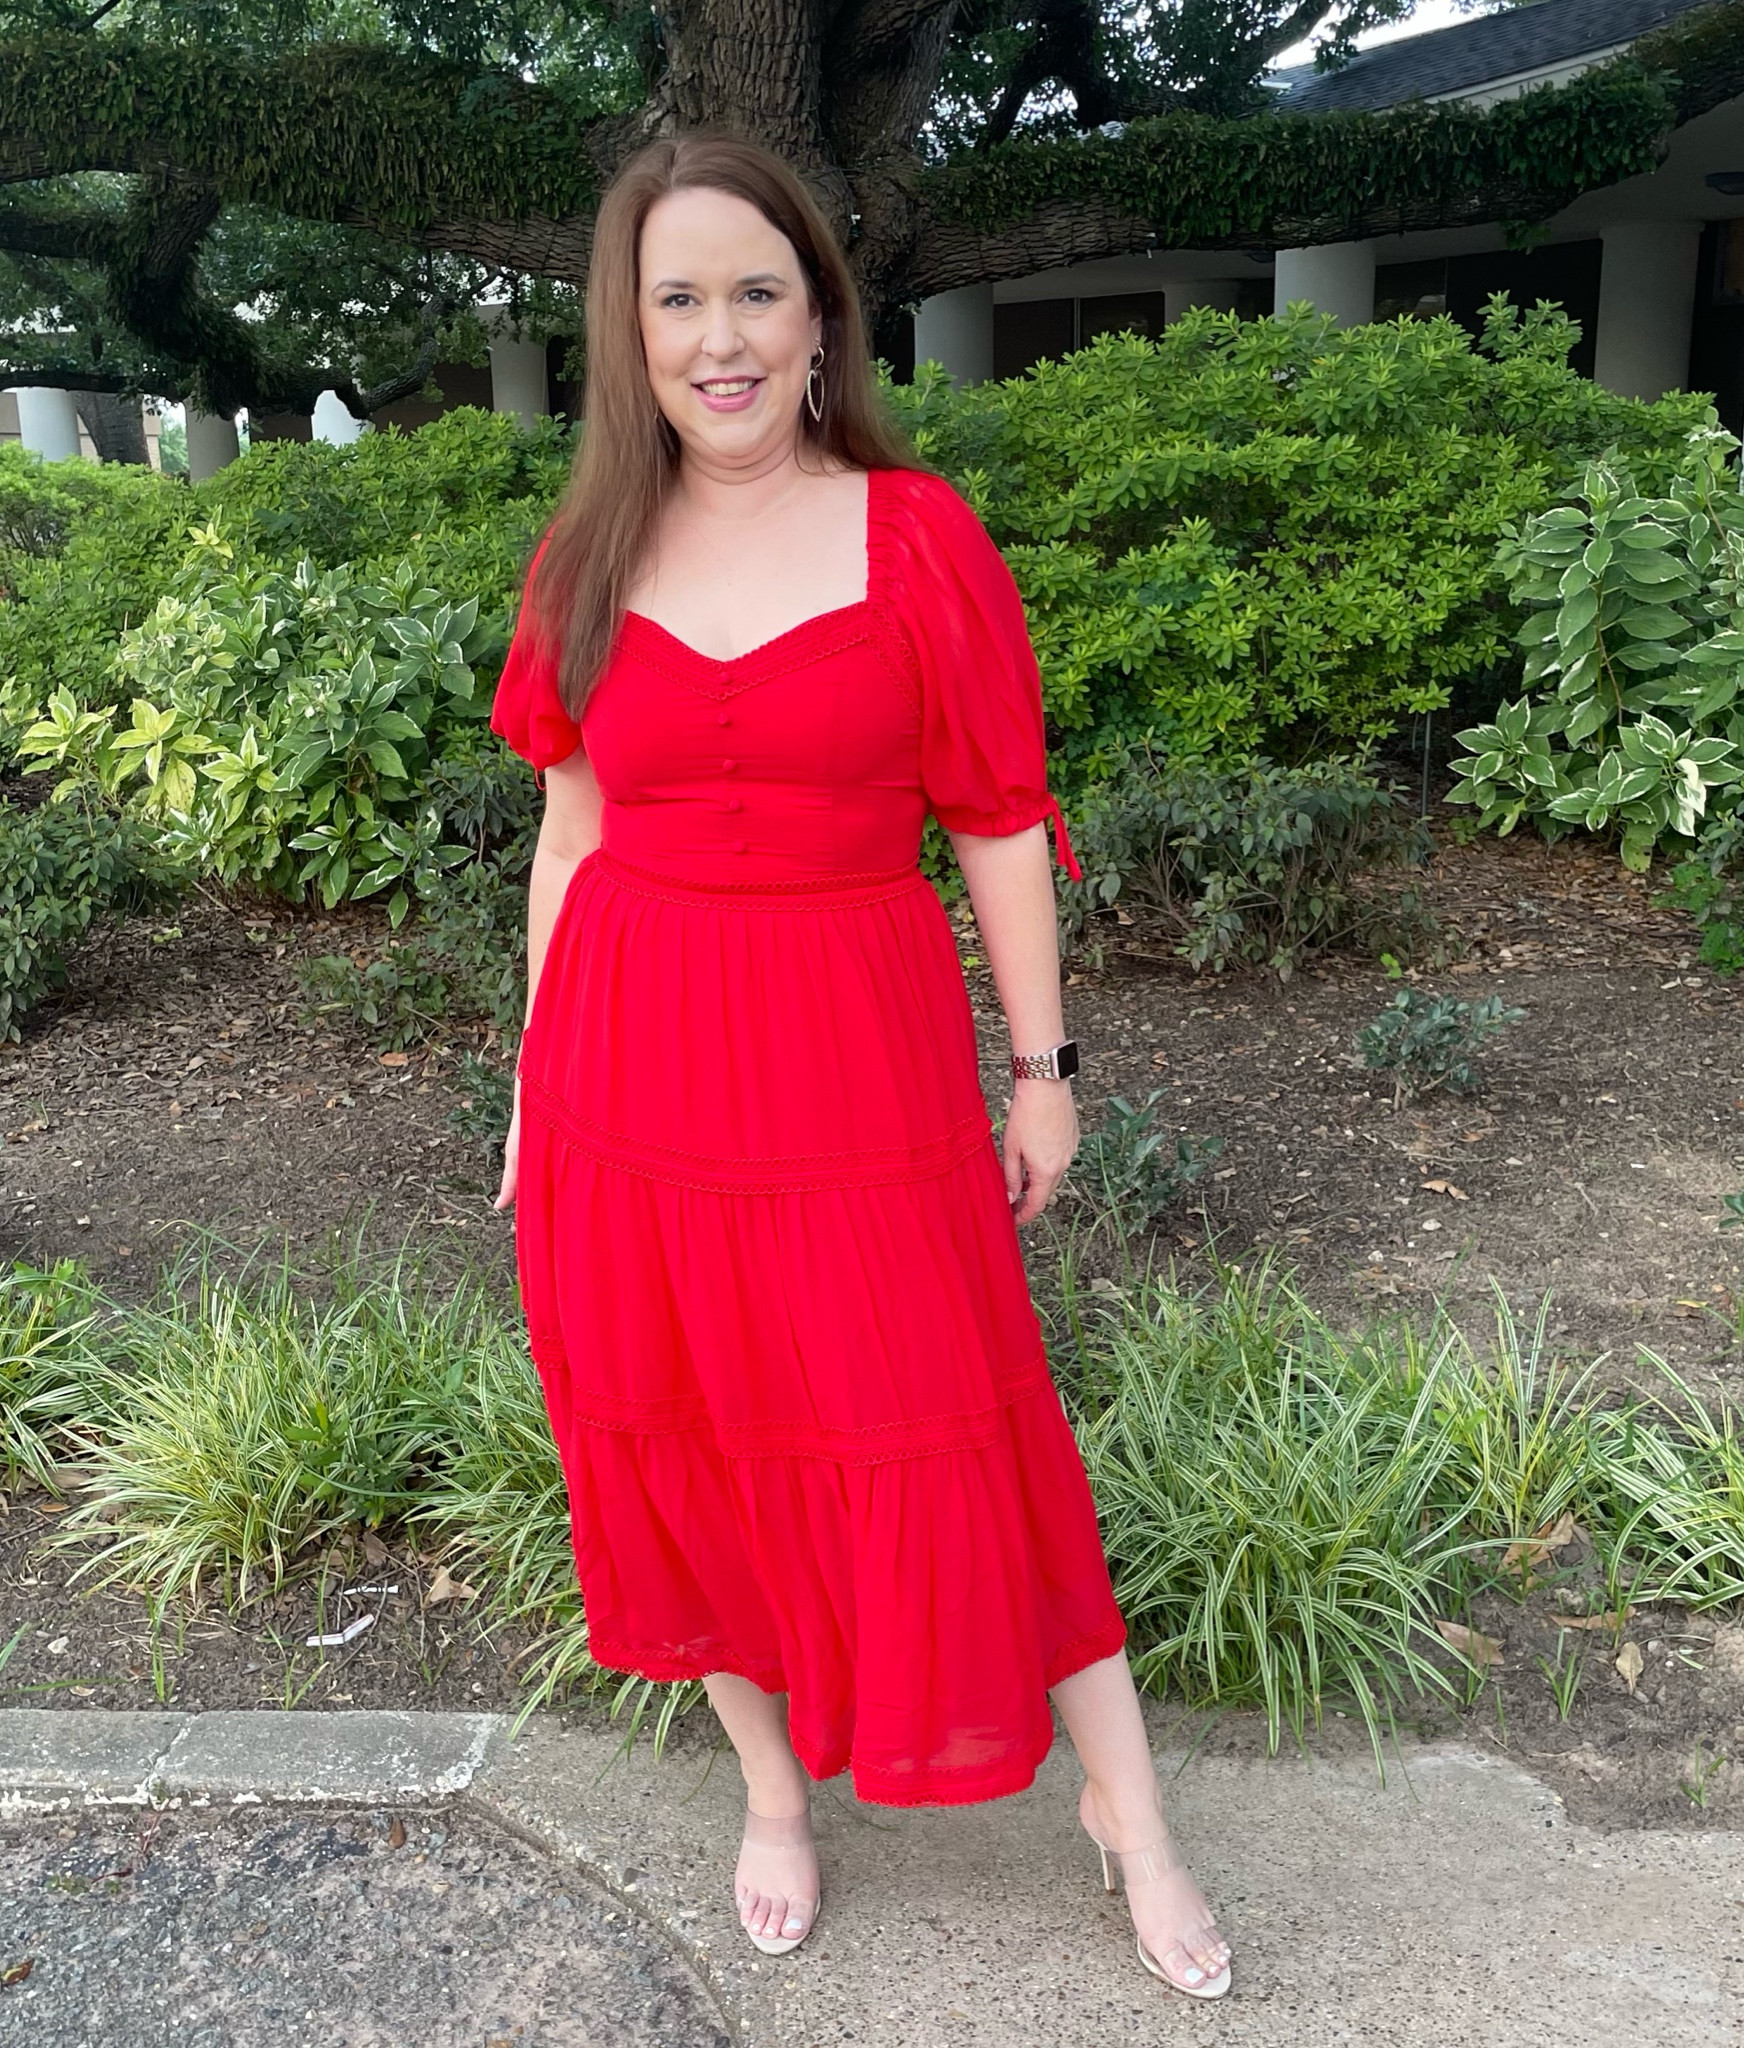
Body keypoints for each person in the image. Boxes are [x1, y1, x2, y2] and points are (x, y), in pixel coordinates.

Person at [487, 133, 1231, 1999]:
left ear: (821, 313)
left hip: (856, 1067)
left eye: (758, 291)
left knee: (964, 1420)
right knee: (689, 1432)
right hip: (625, 1082)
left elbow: (995, 821)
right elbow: (571, 838)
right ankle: (769, 1795)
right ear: (628, 333)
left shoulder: (918, 540)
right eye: (679, 300)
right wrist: (525, 1081)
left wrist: (1041, 1065)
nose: (720, 337)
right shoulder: (588, 552)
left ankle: (1128, 1809)